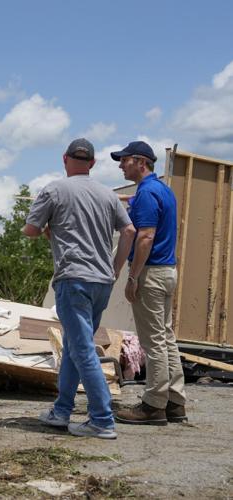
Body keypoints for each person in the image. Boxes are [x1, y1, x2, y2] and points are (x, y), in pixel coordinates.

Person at [23, 138, 136, 439]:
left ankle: (102, 420)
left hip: (73, 279)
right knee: (75, 347)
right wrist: (116, 269)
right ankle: (62, 411)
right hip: (101, 282)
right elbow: (129, 230)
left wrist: (44, 226)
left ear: (65, 159)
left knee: (83, 349)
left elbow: (31, 230)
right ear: (93, 163)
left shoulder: (54, 190)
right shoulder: (108, 195)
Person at [113, 141, 187, 425]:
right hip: (167, 271)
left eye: (125, 160)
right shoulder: (162, 190)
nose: (121, 165)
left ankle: (154, 405)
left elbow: (145, 236)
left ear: (140, 162)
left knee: (153, 341)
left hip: (151, 273)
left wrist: (133, 277)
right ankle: (175, 401)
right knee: (165, 337)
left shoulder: (146, 193)